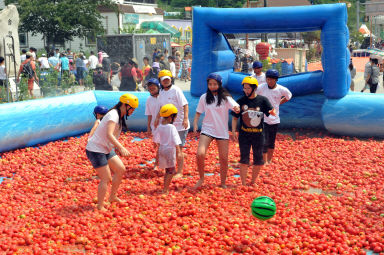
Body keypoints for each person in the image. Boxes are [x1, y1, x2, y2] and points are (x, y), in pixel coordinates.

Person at [86, 93, 139, 211]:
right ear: (125, 105)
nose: (133, 111)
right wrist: (120, 147)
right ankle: (100, 205)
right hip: (96, 149)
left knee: (120, 169)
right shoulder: (113, 115)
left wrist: (115, 147)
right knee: (106, 178)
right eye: (132, 108)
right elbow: (109, 134)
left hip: (105, 148)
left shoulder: (119, 115)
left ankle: (112, 196)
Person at [193, 73, 240, 189]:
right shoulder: (204, 97)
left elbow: (235, 106)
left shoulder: (226, 98)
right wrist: (195, 124)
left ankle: (223, 182)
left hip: (221, 131)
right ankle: (201, 178)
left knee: (224, 158)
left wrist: (237, 108)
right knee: (200, 154)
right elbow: (198, 112)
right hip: (207, 129)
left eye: (215, 84)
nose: (212, 86)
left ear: (219, 84)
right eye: (210, 84)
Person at [231, 76, 276, 186]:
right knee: (244, 159)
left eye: (248, 88)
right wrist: (233, 131)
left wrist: (272, 112)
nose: (246, 91)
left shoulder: (263, 100)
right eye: (244, 88)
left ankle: (253, 181)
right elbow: (235, 117)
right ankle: (243, 183)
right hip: (244, 135)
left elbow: (269, 111)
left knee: (258, 159)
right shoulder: (241, 101)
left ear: (254, 88)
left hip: (259, 135)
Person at [155, 70, 189, 178]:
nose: (165, 81)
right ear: (160, 81)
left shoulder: (176, 90)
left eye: (167, 79)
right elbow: (161, 107)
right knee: (168, 147)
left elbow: (185, 104)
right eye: (163, 80)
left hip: (179, 125)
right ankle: (170, 168)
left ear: (171, 80)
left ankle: (180, 171)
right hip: (168, 126)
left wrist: (185, 119)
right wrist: (157, 118)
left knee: (179, 148)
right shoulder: (161, 92)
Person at [257, 69, 292, 165]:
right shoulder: (261, 87)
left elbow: (289, 96)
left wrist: (279, 103)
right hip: (263, 119)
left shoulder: (281, 89)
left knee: (271, 142)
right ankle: (264, 161)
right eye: (268, 79)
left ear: (276, 80)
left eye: (272, 79)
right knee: (264, 140)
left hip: (275, 120)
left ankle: (269, 160)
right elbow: (253, 93)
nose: (269, 81)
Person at [153, 104, 181, 194]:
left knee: (167, 170)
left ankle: (165, 187)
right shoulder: (172, 127)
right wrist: (179, 152)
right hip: (169, 150)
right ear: (170, 117)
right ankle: (165, 189)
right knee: (171, 171)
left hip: (161, 149)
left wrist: (157, 146)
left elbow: (156, 140)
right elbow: (176, 140)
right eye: (175, 116)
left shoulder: (160, 126)